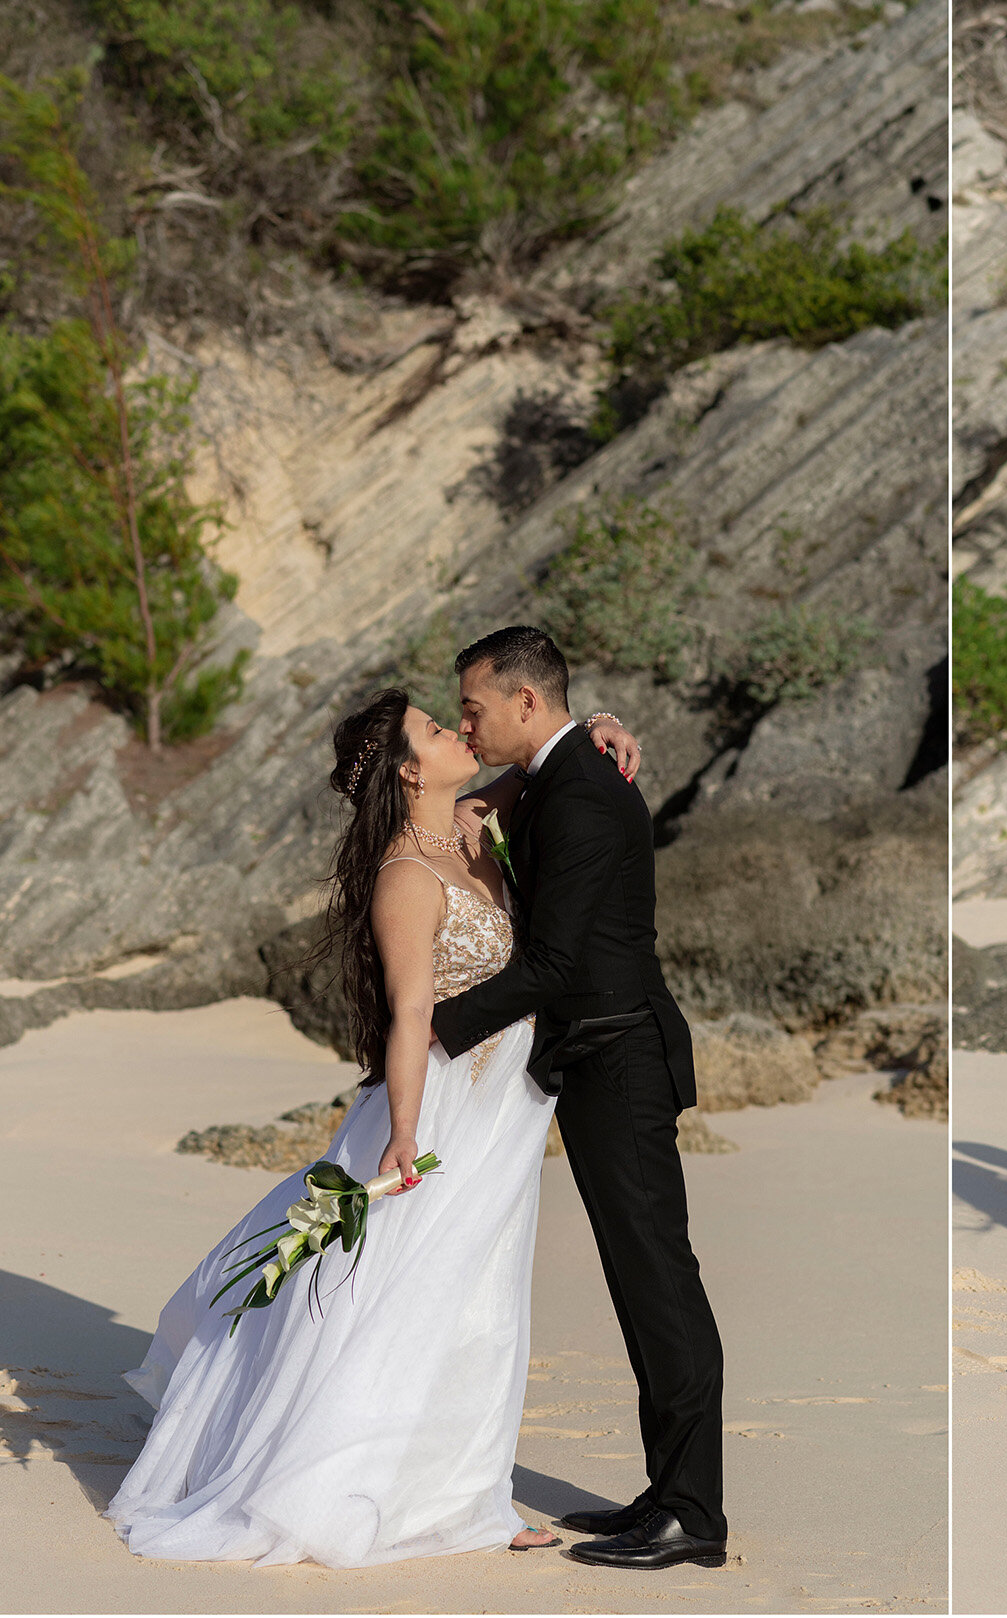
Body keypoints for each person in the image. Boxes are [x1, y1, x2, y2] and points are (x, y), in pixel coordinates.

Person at [106, 693, 643, 1565]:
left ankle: (467, 1493)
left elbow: (544, 760)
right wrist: (402, 1131)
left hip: (505, 1105)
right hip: (441, 1110)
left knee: (481, 1295)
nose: (459, 732)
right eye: (439, 729)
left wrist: (607, 725)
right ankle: (367, 1490)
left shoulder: (471, 823)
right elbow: (408, 1014)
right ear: (407, 770)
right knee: (410, 1298)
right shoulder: (405, 876)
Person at [432, 625, 729, 1572]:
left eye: (474, 706)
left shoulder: (585, 795)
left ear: (526, 702)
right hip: (601, 1059)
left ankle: (693, 1515)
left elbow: (556, 962)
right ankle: (666, 1491)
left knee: (659, 1281)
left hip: (622, 1059)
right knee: (639, 1281)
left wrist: (436, 1029)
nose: (466, 724)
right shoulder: (565, 772)